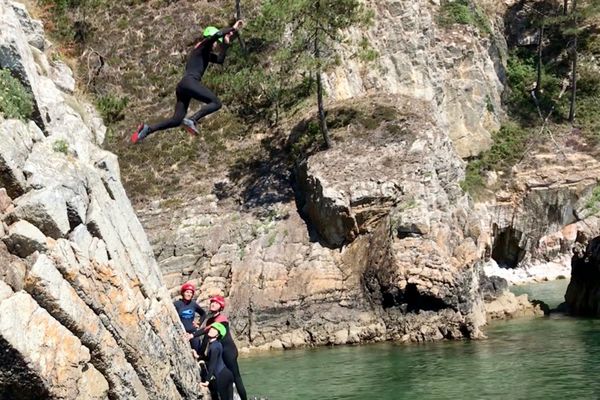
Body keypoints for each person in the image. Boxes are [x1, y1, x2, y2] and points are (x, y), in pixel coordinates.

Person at [131, 20, 244, 143]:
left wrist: (226, 45)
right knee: (216, 103)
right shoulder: (203, 46)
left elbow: (220, 60)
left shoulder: (204, 53)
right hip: (190, 82)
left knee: (176, 120)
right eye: (216, 43)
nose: (216, 45)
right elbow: (217, 35)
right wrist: (233, 29)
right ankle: (193, 119)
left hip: (183, 86)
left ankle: (147, 129)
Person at [199, 295, 247, 400]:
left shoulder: (222, 319)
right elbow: (206, 338)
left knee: (236, 377)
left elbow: (206, 330)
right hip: (220, 351)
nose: (213, 304)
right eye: (212, 302)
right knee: (224, 377)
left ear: (221, 307)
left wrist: (192, 335)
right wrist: (200, 354)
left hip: (229, 352)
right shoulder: (210, 320)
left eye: (216, 303)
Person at [201, 322, 234, 400]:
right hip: (227, 374)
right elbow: (212, 358)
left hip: (222, 376)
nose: (212, 330)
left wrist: (207, 381)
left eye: (215, 330)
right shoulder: (216, 344)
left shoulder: (214, 347)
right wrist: (200, 357)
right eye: (212, 328)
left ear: (217, 335)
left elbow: (212, 365)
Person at [173, 282, 206, 355]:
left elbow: (203, 314)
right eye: (187, 292)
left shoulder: (193, 304)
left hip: (193, 333)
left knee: (197, 354)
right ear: (183, 293)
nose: (189, 294)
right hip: (182, 333)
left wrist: (199, 323)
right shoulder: (177, 304)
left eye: (191, 293)